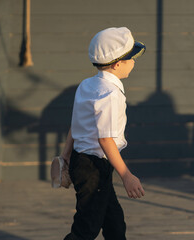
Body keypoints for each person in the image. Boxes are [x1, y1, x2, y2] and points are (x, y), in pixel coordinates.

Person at [61, 27, 146, 240]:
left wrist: (66, 156)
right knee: (85, 229)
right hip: (93, 168)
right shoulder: (110, 94)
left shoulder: (87, 85)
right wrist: (126, 175)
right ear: (118, 64)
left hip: (85, 163)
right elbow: (105, 139)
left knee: (114, 224)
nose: (134, 62)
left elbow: (75, 125)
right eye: (131, 59)